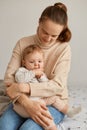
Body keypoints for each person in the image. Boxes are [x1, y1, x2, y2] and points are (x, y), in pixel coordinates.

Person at [0, 2, 76, 130]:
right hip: (22, 101)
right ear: (39, 22)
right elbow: (9, 79)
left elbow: (57, 86)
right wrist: (27, 103)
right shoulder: (23, 43)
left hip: (52, 103)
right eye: (44, 32)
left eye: (54, 36)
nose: (47, 39)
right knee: (4, 126)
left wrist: (25, 87)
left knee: (28, 129)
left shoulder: (64, 49)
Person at [14, 44, 81, 120]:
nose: (36, 64)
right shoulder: (22, 71)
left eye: (39, 61)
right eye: (32, 62)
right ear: (24, 62)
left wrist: (41, 77)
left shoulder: (41, 74)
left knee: (54, 98)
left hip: (40, 101)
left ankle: (68, 111)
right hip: (27, 104)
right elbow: (20, 80)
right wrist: (33, 73)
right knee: (45, 113)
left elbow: (47, 87)